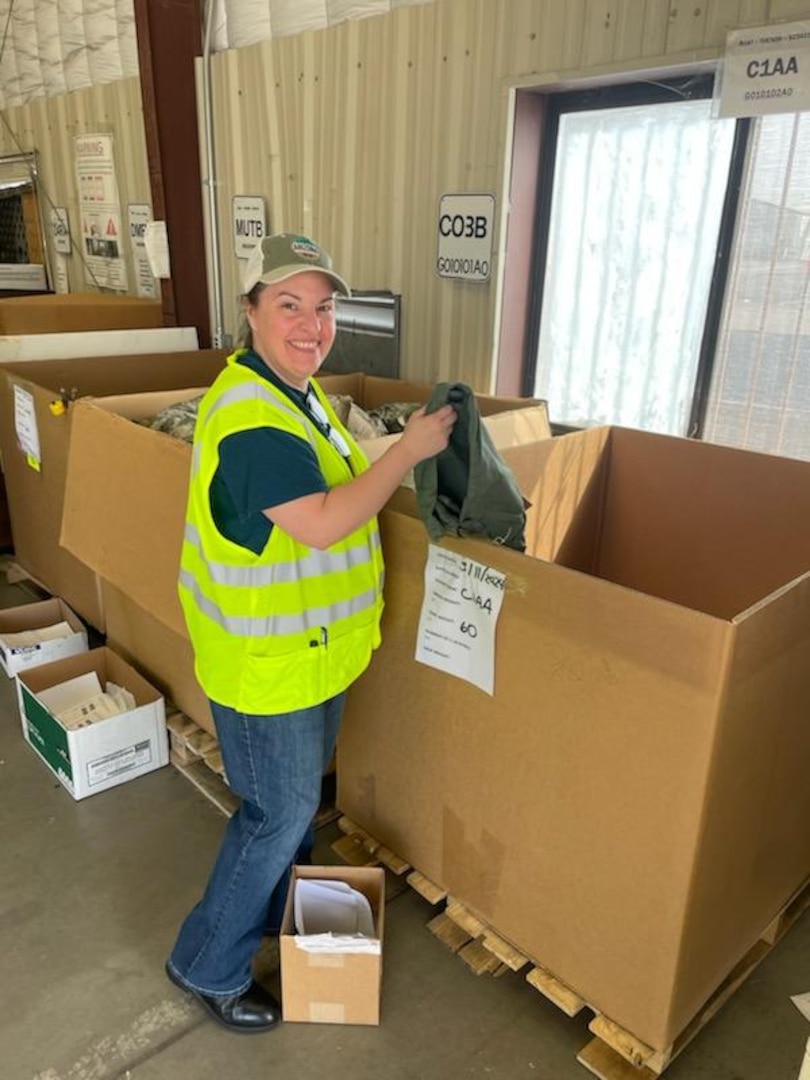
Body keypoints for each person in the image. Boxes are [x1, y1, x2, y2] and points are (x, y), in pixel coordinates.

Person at [165, 233, 456, 1033]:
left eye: (323, 308)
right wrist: (407, 451)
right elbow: (324, 524)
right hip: (268, 667)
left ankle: (264, 917)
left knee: (290, 812)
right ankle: (207, 963)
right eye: (288, 305)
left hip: (312, 657)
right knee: (277, 816)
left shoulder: (298, 392)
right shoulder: (252, 415)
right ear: (251, 311)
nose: (311, 323)